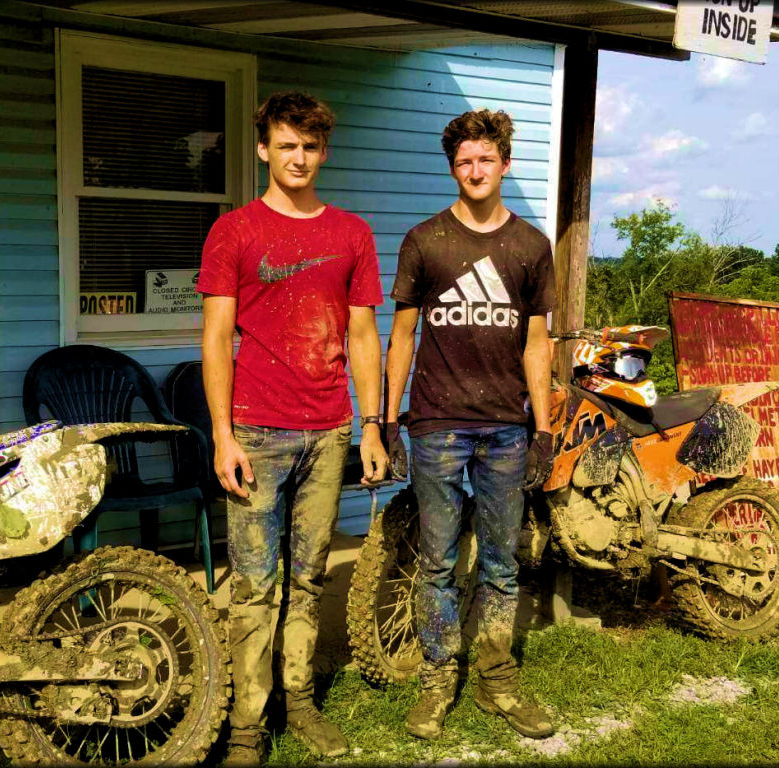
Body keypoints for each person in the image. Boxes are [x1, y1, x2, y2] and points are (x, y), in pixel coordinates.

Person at [198, 91, 388, 766]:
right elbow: (217, 336)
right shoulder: (236, 231)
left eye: (309, 146)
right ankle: (248, 726)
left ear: (323, 152)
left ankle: (300, 700)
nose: (298, 157)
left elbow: (365, 335)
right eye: (286, 145)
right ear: (263, 150)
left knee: (308, 578)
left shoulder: (351, 233)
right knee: (253, 585)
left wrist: (372, 426)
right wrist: (221, 434)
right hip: (255, 432)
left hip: (330, 430)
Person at [382, 108, 557, 741]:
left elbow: (537, 344)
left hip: (508, 430)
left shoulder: (532, 247)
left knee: (501, 563)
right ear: (452, 169)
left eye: (486, 159)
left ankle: (496, 682)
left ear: (505, 164)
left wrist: (542, 428)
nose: (475, 170)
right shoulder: (425, 241)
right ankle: (436, 684)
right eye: (463, 162)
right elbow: (401, 337)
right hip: (435, 426)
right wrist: (384, 422)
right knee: (436, 561)